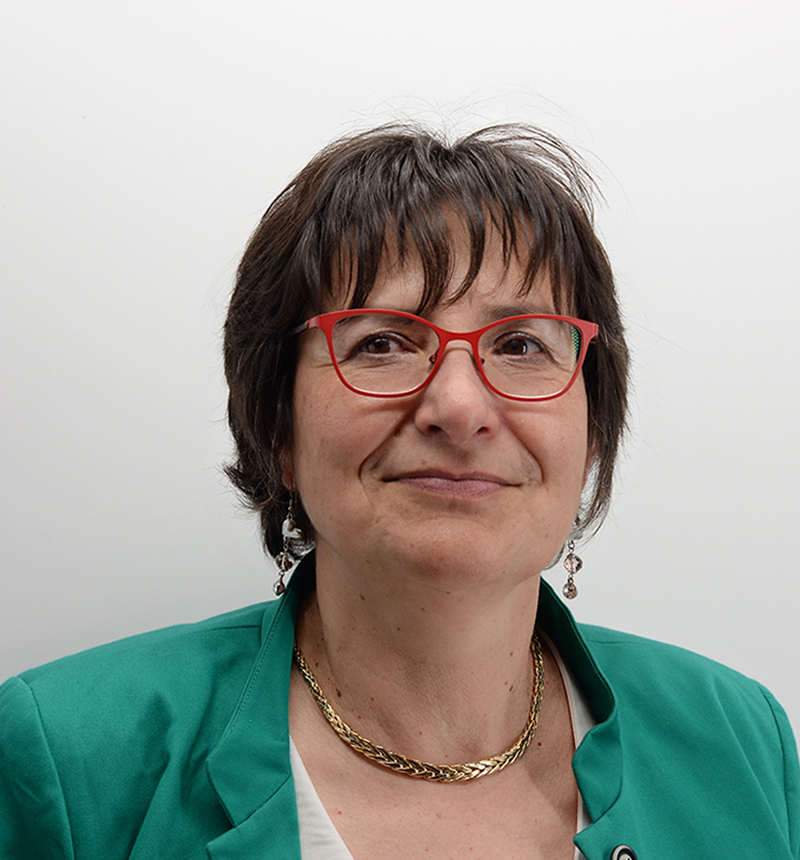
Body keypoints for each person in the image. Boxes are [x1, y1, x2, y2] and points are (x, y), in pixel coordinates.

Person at [0, 124, 797, 860]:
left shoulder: (742, 740)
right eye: (382, 342)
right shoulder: (69, 761)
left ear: (591, 431)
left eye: (522, 345)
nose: (459, 407)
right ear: (277, 426)